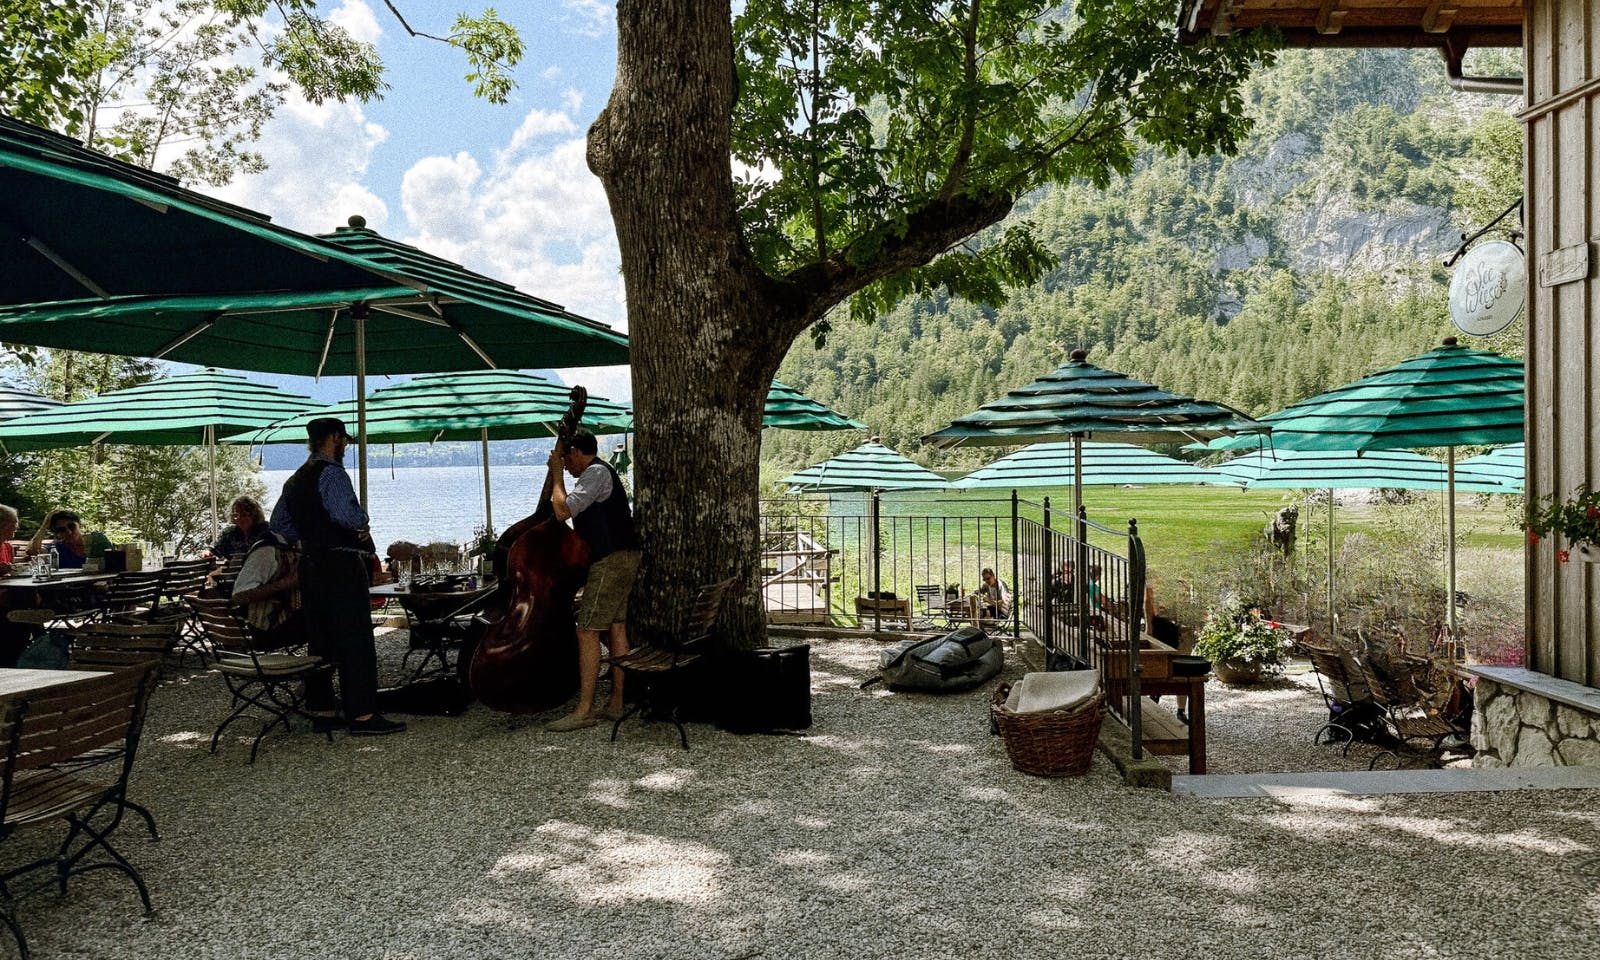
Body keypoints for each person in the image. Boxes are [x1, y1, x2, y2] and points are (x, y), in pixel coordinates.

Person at [270, 417, 404, 736]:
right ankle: (362, 715)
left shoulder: (295, 479)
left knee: (321, 638)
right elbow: (347, 515)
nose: (345, 445)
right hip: (341, 564)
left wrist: (308, 537)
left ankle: (323, 709)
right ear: (333, 438)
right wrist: (363, 521)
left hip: (310, 564)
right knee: (354, 637)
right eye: (344, 439)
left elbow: (279, 525)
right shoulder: (332, 473)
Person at [544, 428, 642, 733]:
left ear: (575, 453)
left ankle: (584, 710)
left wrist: (557, 475)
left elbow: (562, 510)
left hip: (611, 559)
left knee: (587, 630)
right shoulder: (600, 473)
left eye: (566, 458)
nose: (567, 465)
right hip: (622, 556)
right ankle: (615, 702)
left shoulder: (595, 472)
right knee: (616, 627)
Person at [26, 509, 111, 569]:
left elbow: (113, 565)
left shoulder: (97, 540)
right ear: (57, 533)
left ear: (79, 525)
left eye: (71, 526)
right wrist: (44, 525)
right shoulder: (58, 549)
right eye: (62, 530)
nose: (69, 532)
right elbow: (32, 551)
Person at [212, 495, 269, 560]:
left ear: (254, 515)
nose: (239, 519)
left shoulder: (266, 531)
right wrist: (208, 552)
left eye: (244, 515)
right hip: (235, 570)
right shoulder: (229, 533)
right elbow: (214, 549)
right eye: (236, 515)